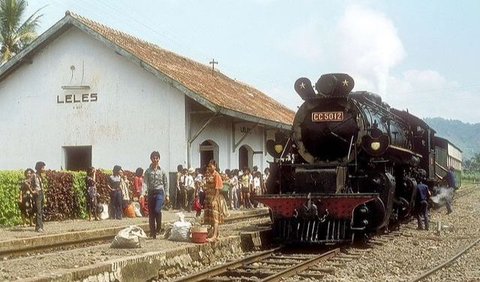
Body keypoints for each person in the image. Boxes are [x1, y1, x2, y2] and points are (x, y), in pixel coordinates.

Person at [144, 151, 169, 239]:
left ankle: (158, 227)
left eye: (157, 158)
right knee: (151, 214)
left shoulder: (162, 171)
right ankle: (152, 232)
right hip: (151, 193)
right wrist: (142, 194)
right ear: (151, 159)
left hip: (159, 192)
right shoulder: (147, 171)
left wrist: (167, 195)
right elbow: (145, 183)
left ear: (159, 159)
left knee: (157, 210)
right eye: (153, 158)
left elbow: (166, 183)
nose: (155, 160)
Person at [203, 160, 224, 242]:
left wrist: (215, 200)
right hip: (208, 197)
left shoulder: (216, 175)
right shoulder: (209, 175)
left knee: (215, 218)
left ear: (215, 166)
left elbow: (218, 189)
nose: (209, 167)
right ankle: (217, 234)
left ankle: (214, 236)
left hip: (214, 198)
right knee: (211, 217)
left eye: (211, 166)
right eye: (209, 166)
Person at [32, 161, 46, 232]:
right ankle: (38, 227)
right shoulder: (34, 175)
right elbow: (29, 184)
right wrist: (33, 191)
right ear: (39, 168)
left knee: (41, 210)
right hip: (37, 193)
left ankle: (40, 226)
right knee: (38, 210)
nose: (44, 169)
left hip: (41, 193)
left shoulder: (41, 176)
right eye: (43, 167)